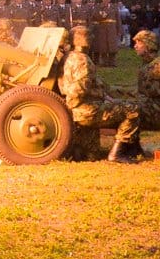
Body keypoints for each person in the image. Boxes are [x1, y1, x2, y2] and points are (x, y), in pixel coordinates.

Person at [57, 26, 142, 163]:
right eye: (89, 37)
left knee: (93, 155)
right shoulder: (83, 60)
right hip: (86, 110)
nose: (92, 39)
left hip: (74, 111)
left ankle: (81, 151)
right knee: (132, 110)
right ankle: (117, 153)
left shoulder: (67, 57)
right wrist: (73, 106)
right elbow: (80, 88)